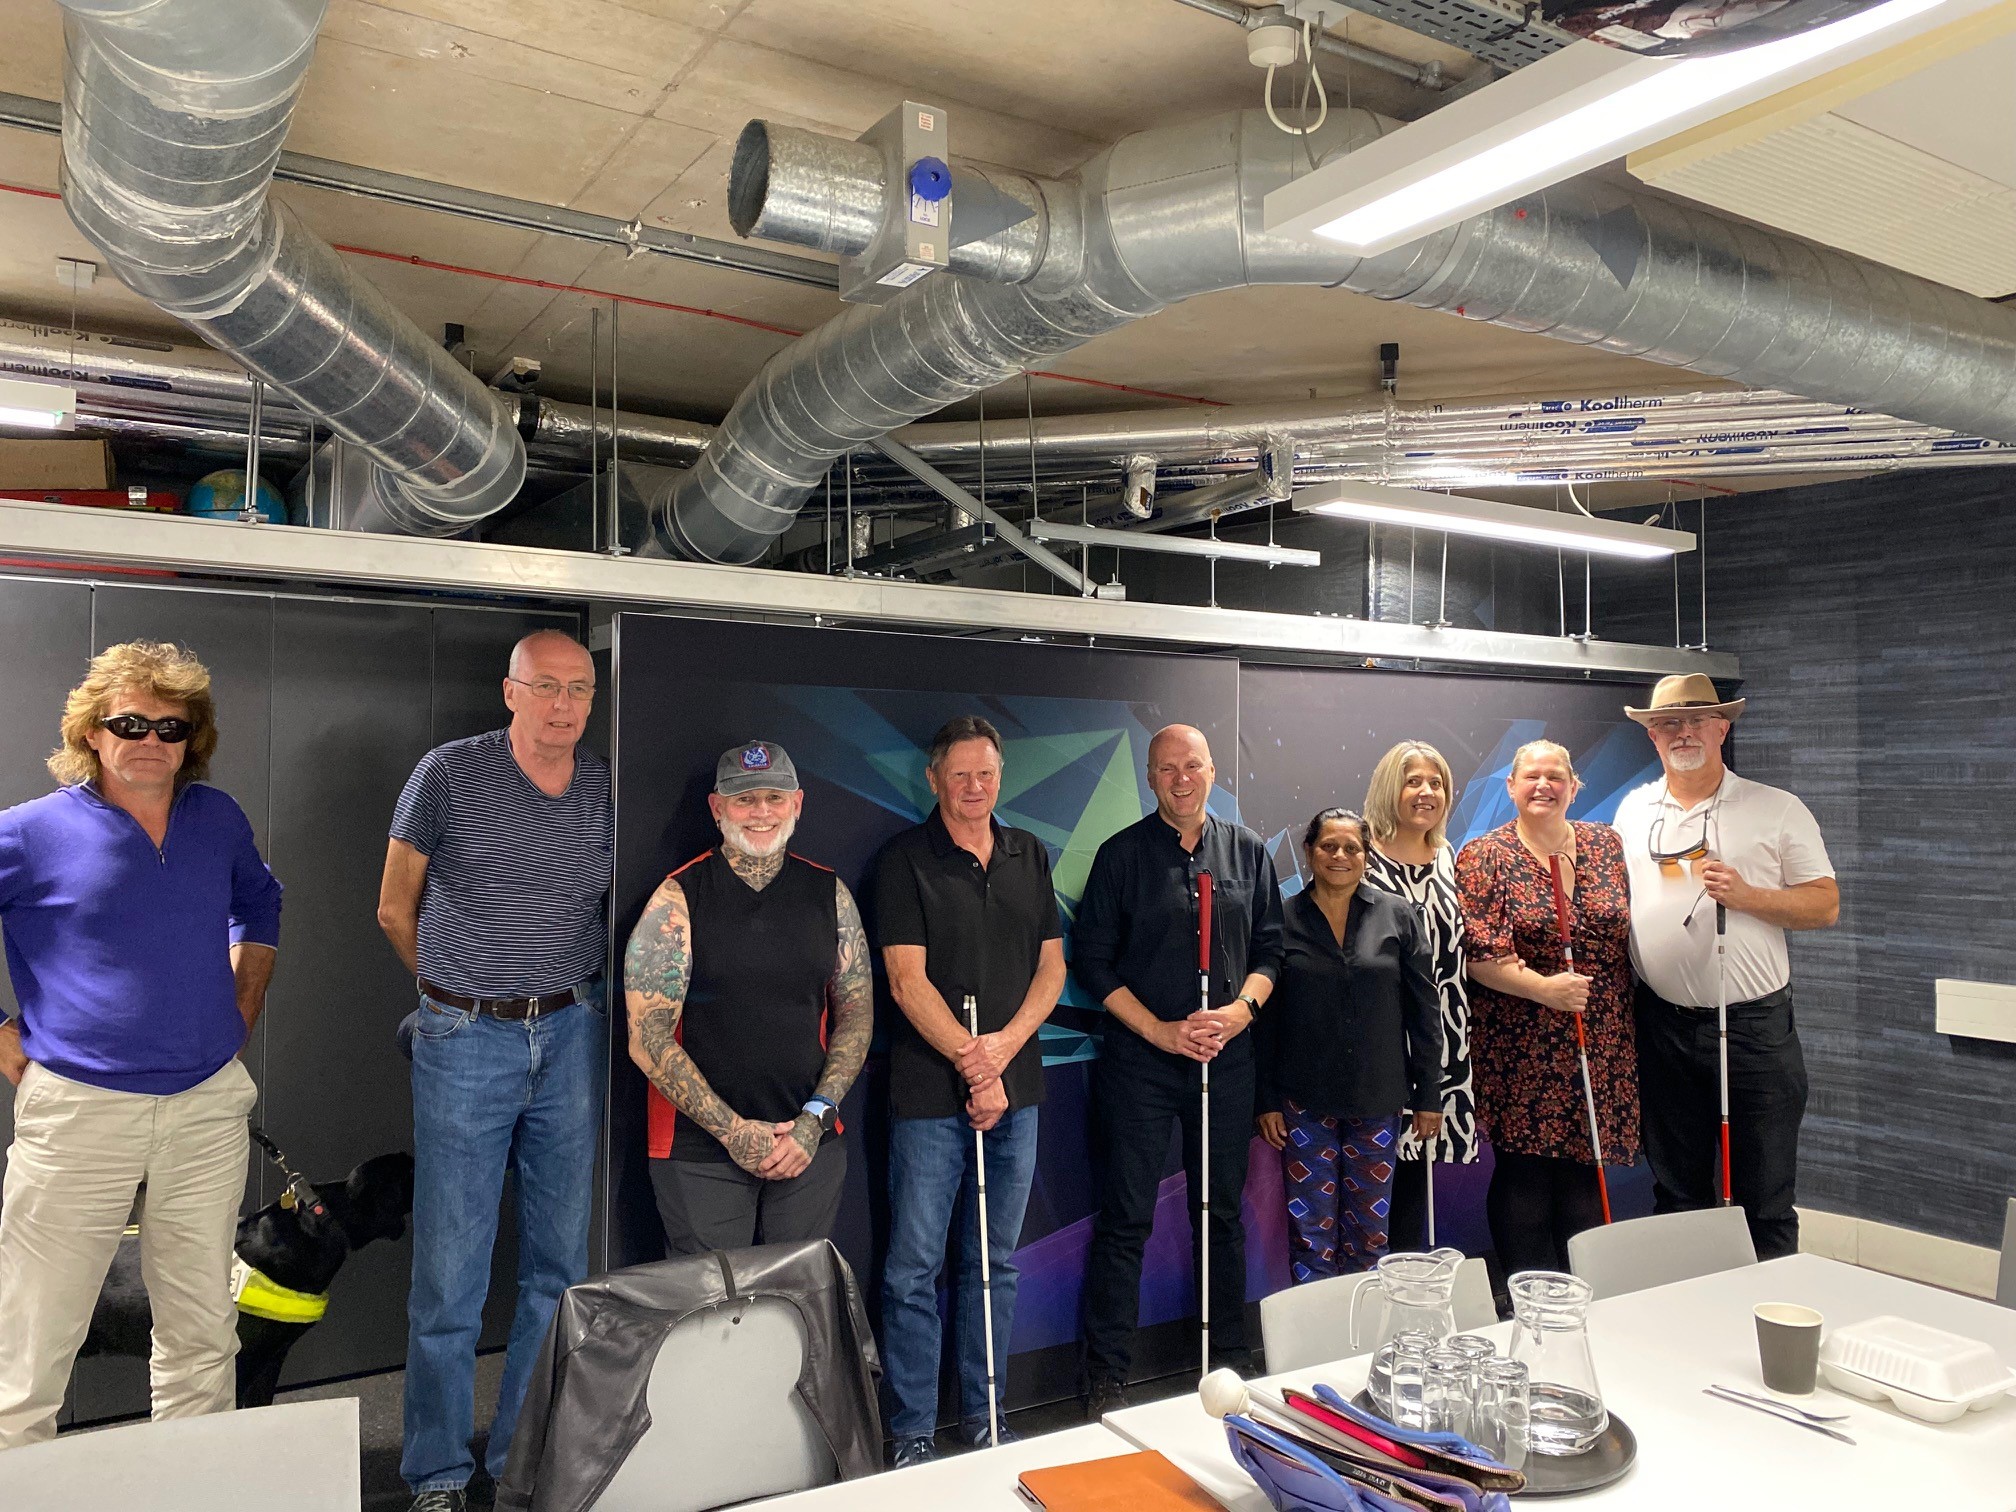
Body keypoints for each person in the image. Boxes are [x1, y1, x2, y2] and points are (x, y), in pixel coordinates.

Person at [0, 641, 279, 1449]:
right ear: (92, 731)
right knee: (30, 1353)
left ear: (193, 739)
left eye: (171, 727)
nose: (150, 741)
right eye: (130, 723)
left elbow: (261, 902)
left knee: (203, 1336)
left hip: (205, 1109)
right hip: (81, 1114)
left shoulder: (216, 819)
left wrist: (243, 1002)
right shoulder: (31, 832)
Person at [379, 629, 612, 1512]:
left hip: (573, 1035)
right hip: (464, 1038)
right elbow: (394, 907)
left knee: (558, 1270)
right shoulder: (448, 773)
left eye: (579, 689)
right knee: (450, 1278)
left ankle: (522, 1461)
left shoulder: (605, 786)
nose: (563, 705)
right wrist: (452, 997)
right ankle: (437, 1474)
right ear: (510, 691)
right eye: (546, 686)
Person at [1073, 725, 1283, 1416]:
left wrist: (1240, 1013)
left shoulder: (1247, 852)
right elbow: (1093, 962)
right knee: (1126, 1218)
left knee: (1220, 1214)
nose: (1182, 779)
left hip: (1226, 1058)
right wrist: (1159, 1031)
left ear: (1213, 771)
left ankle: (1228, 1363)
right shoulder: (1120, 855)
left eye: (1193, 765)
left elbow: (1271, 952)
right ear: (1150, 777)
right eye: (1167, 768)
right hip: (1140, 1062)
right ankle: (1106, 1377)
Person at [873, 716, 1066, 1467]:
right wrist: (972, 1063)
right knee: (913, 1269)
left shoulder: (1029, 853)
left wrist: (1003, 1052)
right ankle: (913, 1433)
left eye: (986, 774)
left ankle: (988, 1419)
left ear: (1000, 776)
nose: (974, 787)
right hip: (929, 1095)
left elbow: (1052, 967)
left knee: (996, 1262)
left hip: (1019, 1089)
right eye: (960, 775)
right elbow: (904, 980)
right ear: (934, 779)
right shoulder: (904, 860)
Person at [1613, 674, 1837, 1260]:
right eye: (1668, 723)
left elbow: (1824, 905)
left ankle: (1769, 1309)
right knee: (1676, 1191)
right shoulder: (1633, 811)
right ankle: (1685, 1307)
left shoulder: (1776, 808)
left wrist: (1748, 896)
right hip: (1661, 1026)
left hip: (1753, 1030)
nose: (1682, 732)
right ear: (1652, 737)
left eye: (1696, 720)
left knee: (1764, 1196)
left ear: (1721, 728)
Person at [625, 740, 872, 1257]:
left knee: (798, 1299)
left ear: (796, 804)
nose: (761, 812)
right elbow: (647, 1037)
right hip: (699, 1152)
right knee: (711, 1302)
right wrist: (733, 1132)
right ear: (718, 808)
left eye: (774, 798)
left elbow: (855, 1017)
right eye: (745, 800)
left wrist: (813, 1122)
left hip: (809, 1146)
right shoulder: (677, 898)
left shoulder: (830, 894)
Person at [1455, 740, 1637, 1278]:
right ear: (1510, 787)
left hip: (1601, 1038)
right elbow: (1480, 956)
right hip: (1524, 1043)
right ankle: (1529, 1296)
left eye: (1555, 776)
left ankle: (1582, 1297)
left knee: (1585, 1173)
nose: (1544, 785)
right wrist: (1545, 989)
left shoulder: (1606, 844)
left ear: (1574, 787)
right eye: (1531, 776)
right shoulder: (1485, 855)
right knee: (1526, 1174)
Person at [1255, 809, 1442, 1282]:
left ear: (1366, 855)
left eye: (1352, 848)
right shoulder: (1281, 918)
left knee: (1371, 1235)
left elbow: (1424, 1011)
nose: (1340, 855)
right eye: (1328, 846)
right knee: (1310, 1235)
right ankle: (1319, 1327)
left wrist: (1429, 1096)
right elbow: (1265, 1023)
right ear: (1309, 852)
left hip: (1378, 1098)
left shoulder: (1397, 914)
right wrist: (1267, 1100)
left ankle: (1366, 1322)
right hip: (1304, 1102)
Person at [1361, 741, 1478, 1253]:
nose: (1426, 792)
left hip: (1442, 1039)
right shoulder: (1359, 857)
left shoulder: (1450, 858)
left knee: (1418, 1178)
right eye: (1413, 782)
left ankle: (1412, 1289)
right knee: (1377, 1183)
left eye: (1436, 783)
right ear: (1390, 789)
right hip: (1381, 1041)